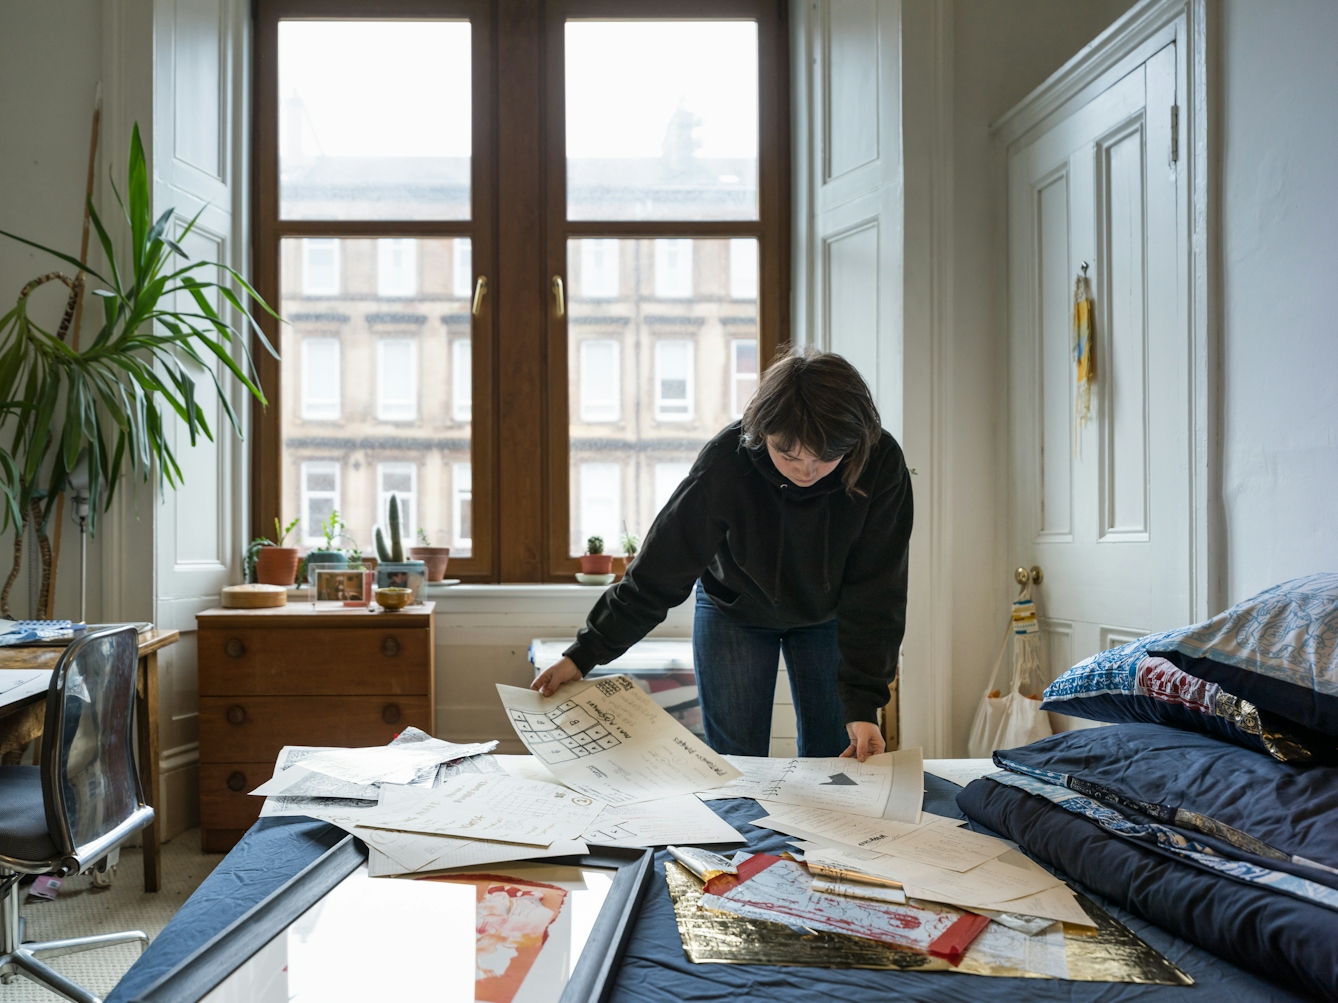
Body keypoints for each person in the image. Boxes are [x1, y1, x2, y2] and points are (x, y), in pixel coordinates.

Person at [532, 348, 914, 762]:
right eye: (788, 455)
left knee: (833, 757)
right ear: (762, 430)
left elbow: (877, 593)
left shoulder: (881, 462)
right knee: (735, 762)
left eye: (825, 458)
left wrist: (862, 705)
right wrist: (584, 654)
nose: (805, 471)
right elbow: (658, 573)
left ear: (854, 441)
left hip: (831, 615)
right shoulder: (725, 462)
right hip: (734, 609)